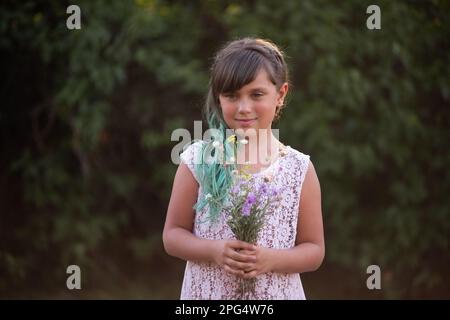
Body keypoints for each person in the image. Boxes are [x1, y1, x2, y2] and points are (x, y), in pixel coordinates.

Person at [163, 37, 324, 300]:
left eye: (256, 94)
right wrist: (214, 251)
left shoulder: (299, 169)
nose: (244, 107)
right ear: (219, 97)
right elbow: (172, 235)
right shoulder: (198, 160)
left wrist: (271, 260)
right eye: (232, 96)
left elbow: (314, 250)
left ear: (280, 95)